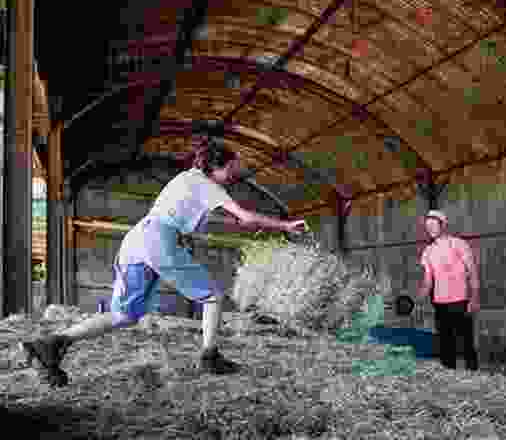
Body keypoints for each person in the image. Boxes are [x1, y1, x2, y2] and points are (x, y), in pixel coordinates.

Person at [21, 135, 309, 387]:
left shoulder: (187, 179)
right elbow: (243, 215)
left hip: (138, 239)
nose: (233, 176)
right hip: (159, 239)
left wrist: (245, 222)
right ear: (216, 167)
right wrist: (284, 226)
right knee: (212, 297)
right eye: (231, 170)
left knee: (124, 315)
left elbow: (223, 218)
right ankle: (210, 356)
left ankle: (54, 342)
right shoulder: (208, 185)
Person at [417, 209, 480, 371]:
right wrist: (418, 298)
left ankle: (473, 374)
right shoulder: (427, 252)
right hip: (439, 303)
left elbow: (472, 270)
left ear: (443, 225)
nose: (430, 229)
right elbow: (427, 280)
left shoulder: (459, 243)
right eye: (427, 226)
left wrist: (474, 298)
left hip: (461, 300)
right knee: (445, 343)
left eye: (433, 225)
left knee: (466, 341)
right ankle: (449, 375)